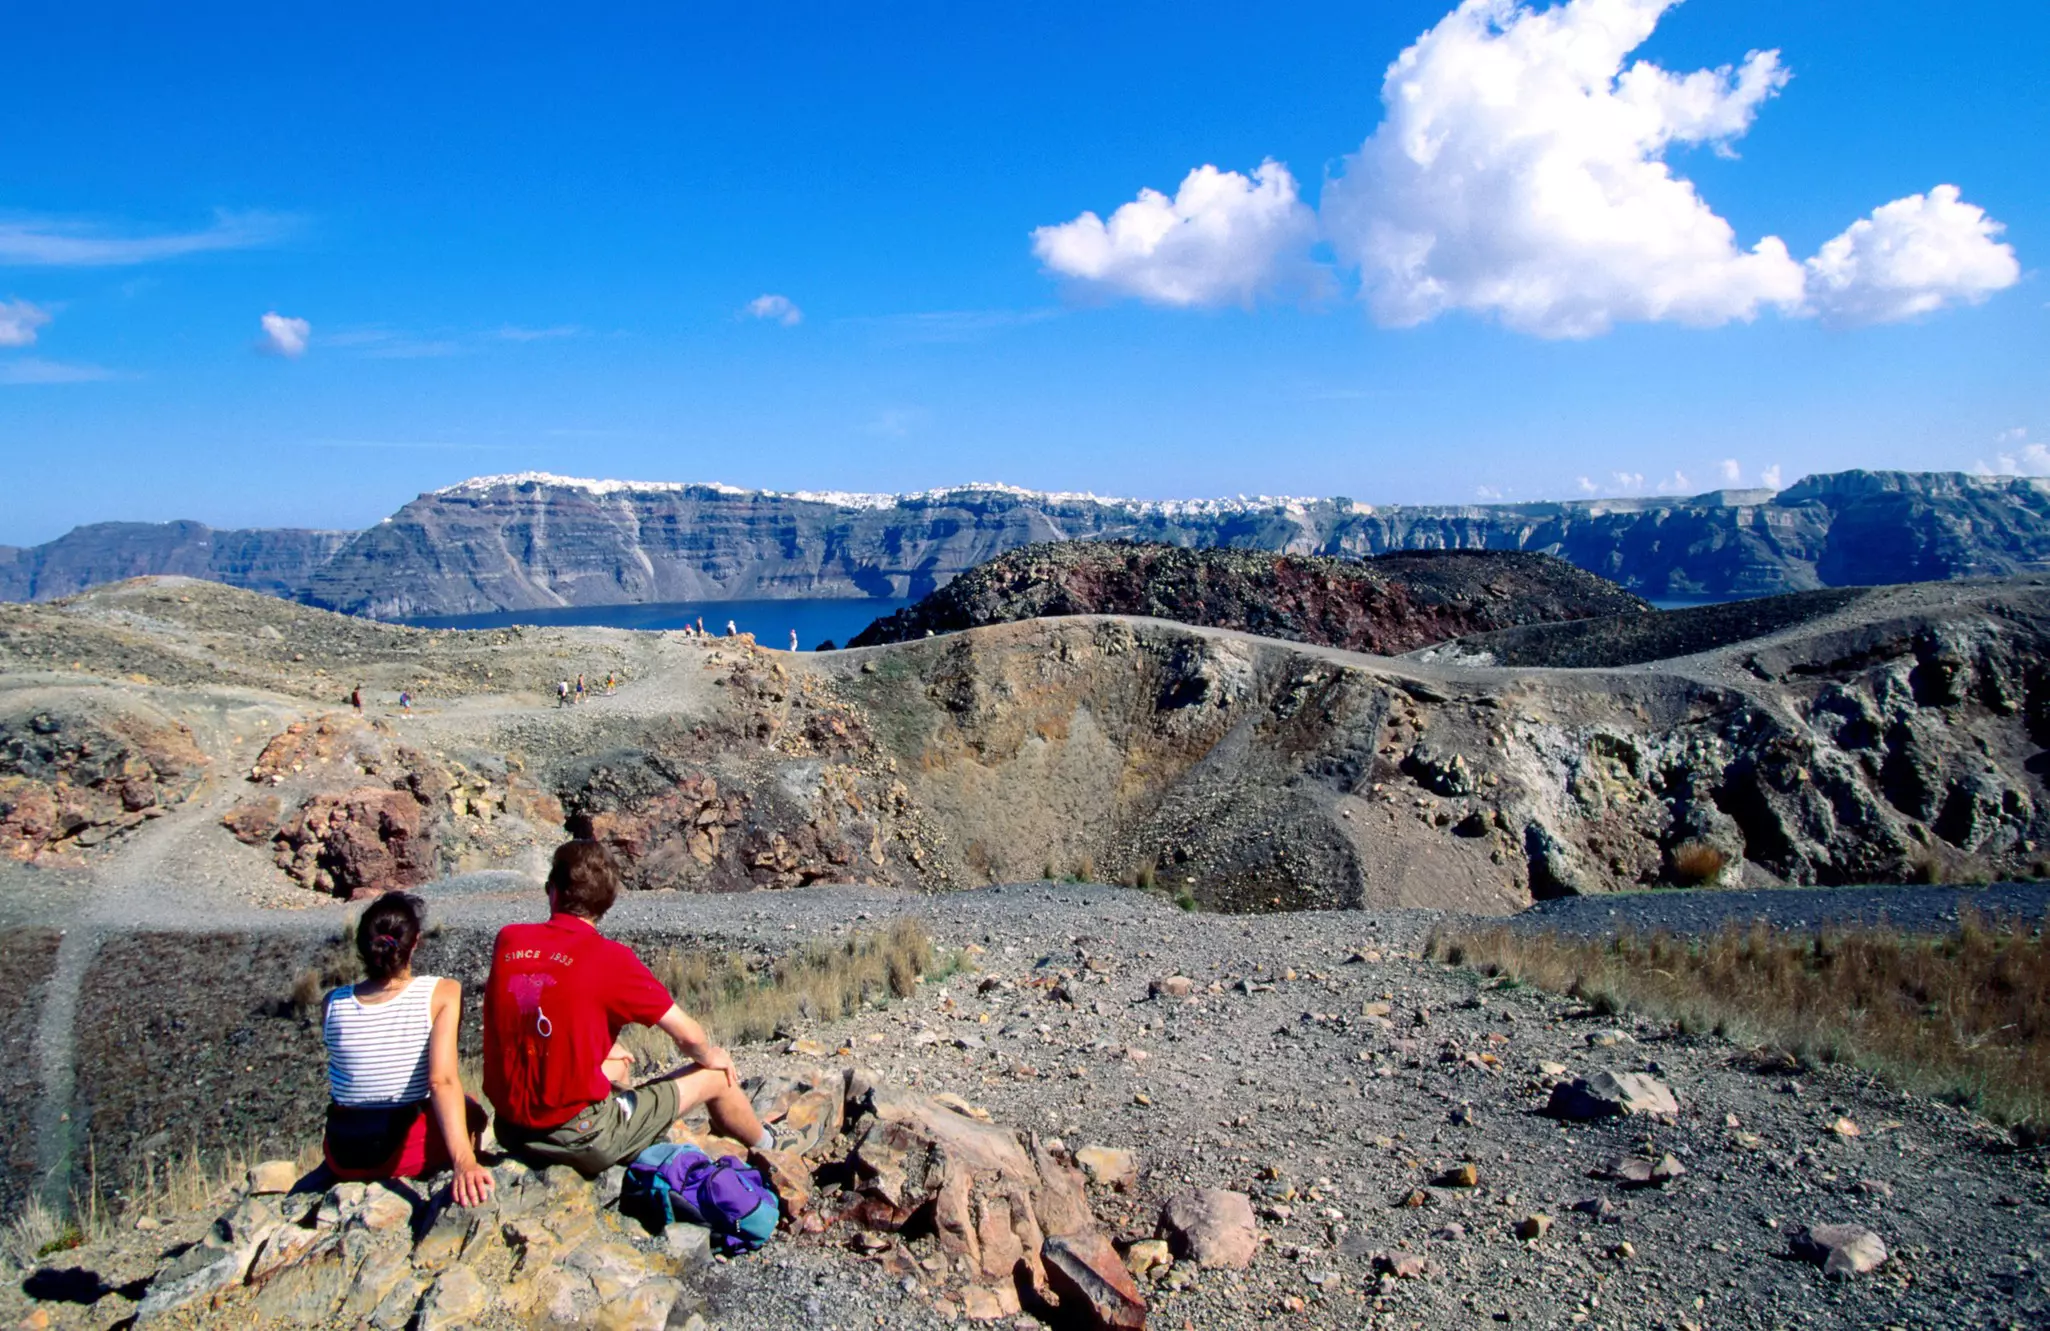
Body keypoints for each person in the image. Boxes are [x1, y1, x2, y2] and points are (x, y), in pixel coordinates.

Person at [483, 841, 771, 1176]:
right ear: (608, 901)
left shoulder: (510, 939)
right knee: (718, 1075)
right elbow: (688, 1034)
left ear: (553, 892)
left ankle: (633, 1130)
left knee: (617, 1062)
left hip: (511, 1129)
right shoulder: (611, 959)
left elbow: (544, 1003)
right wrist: (710, 1055)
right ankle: (769, 1148)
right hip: (579, 1138)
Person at [321, 894, 494, 1207]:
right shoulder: (443, 992)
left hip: (341, 1153)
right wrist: (463, 1163)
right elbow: (441, 1081)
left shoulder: (332, 1002)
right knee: (473, 1112)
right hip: (399, 1151)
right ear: (415, 942)